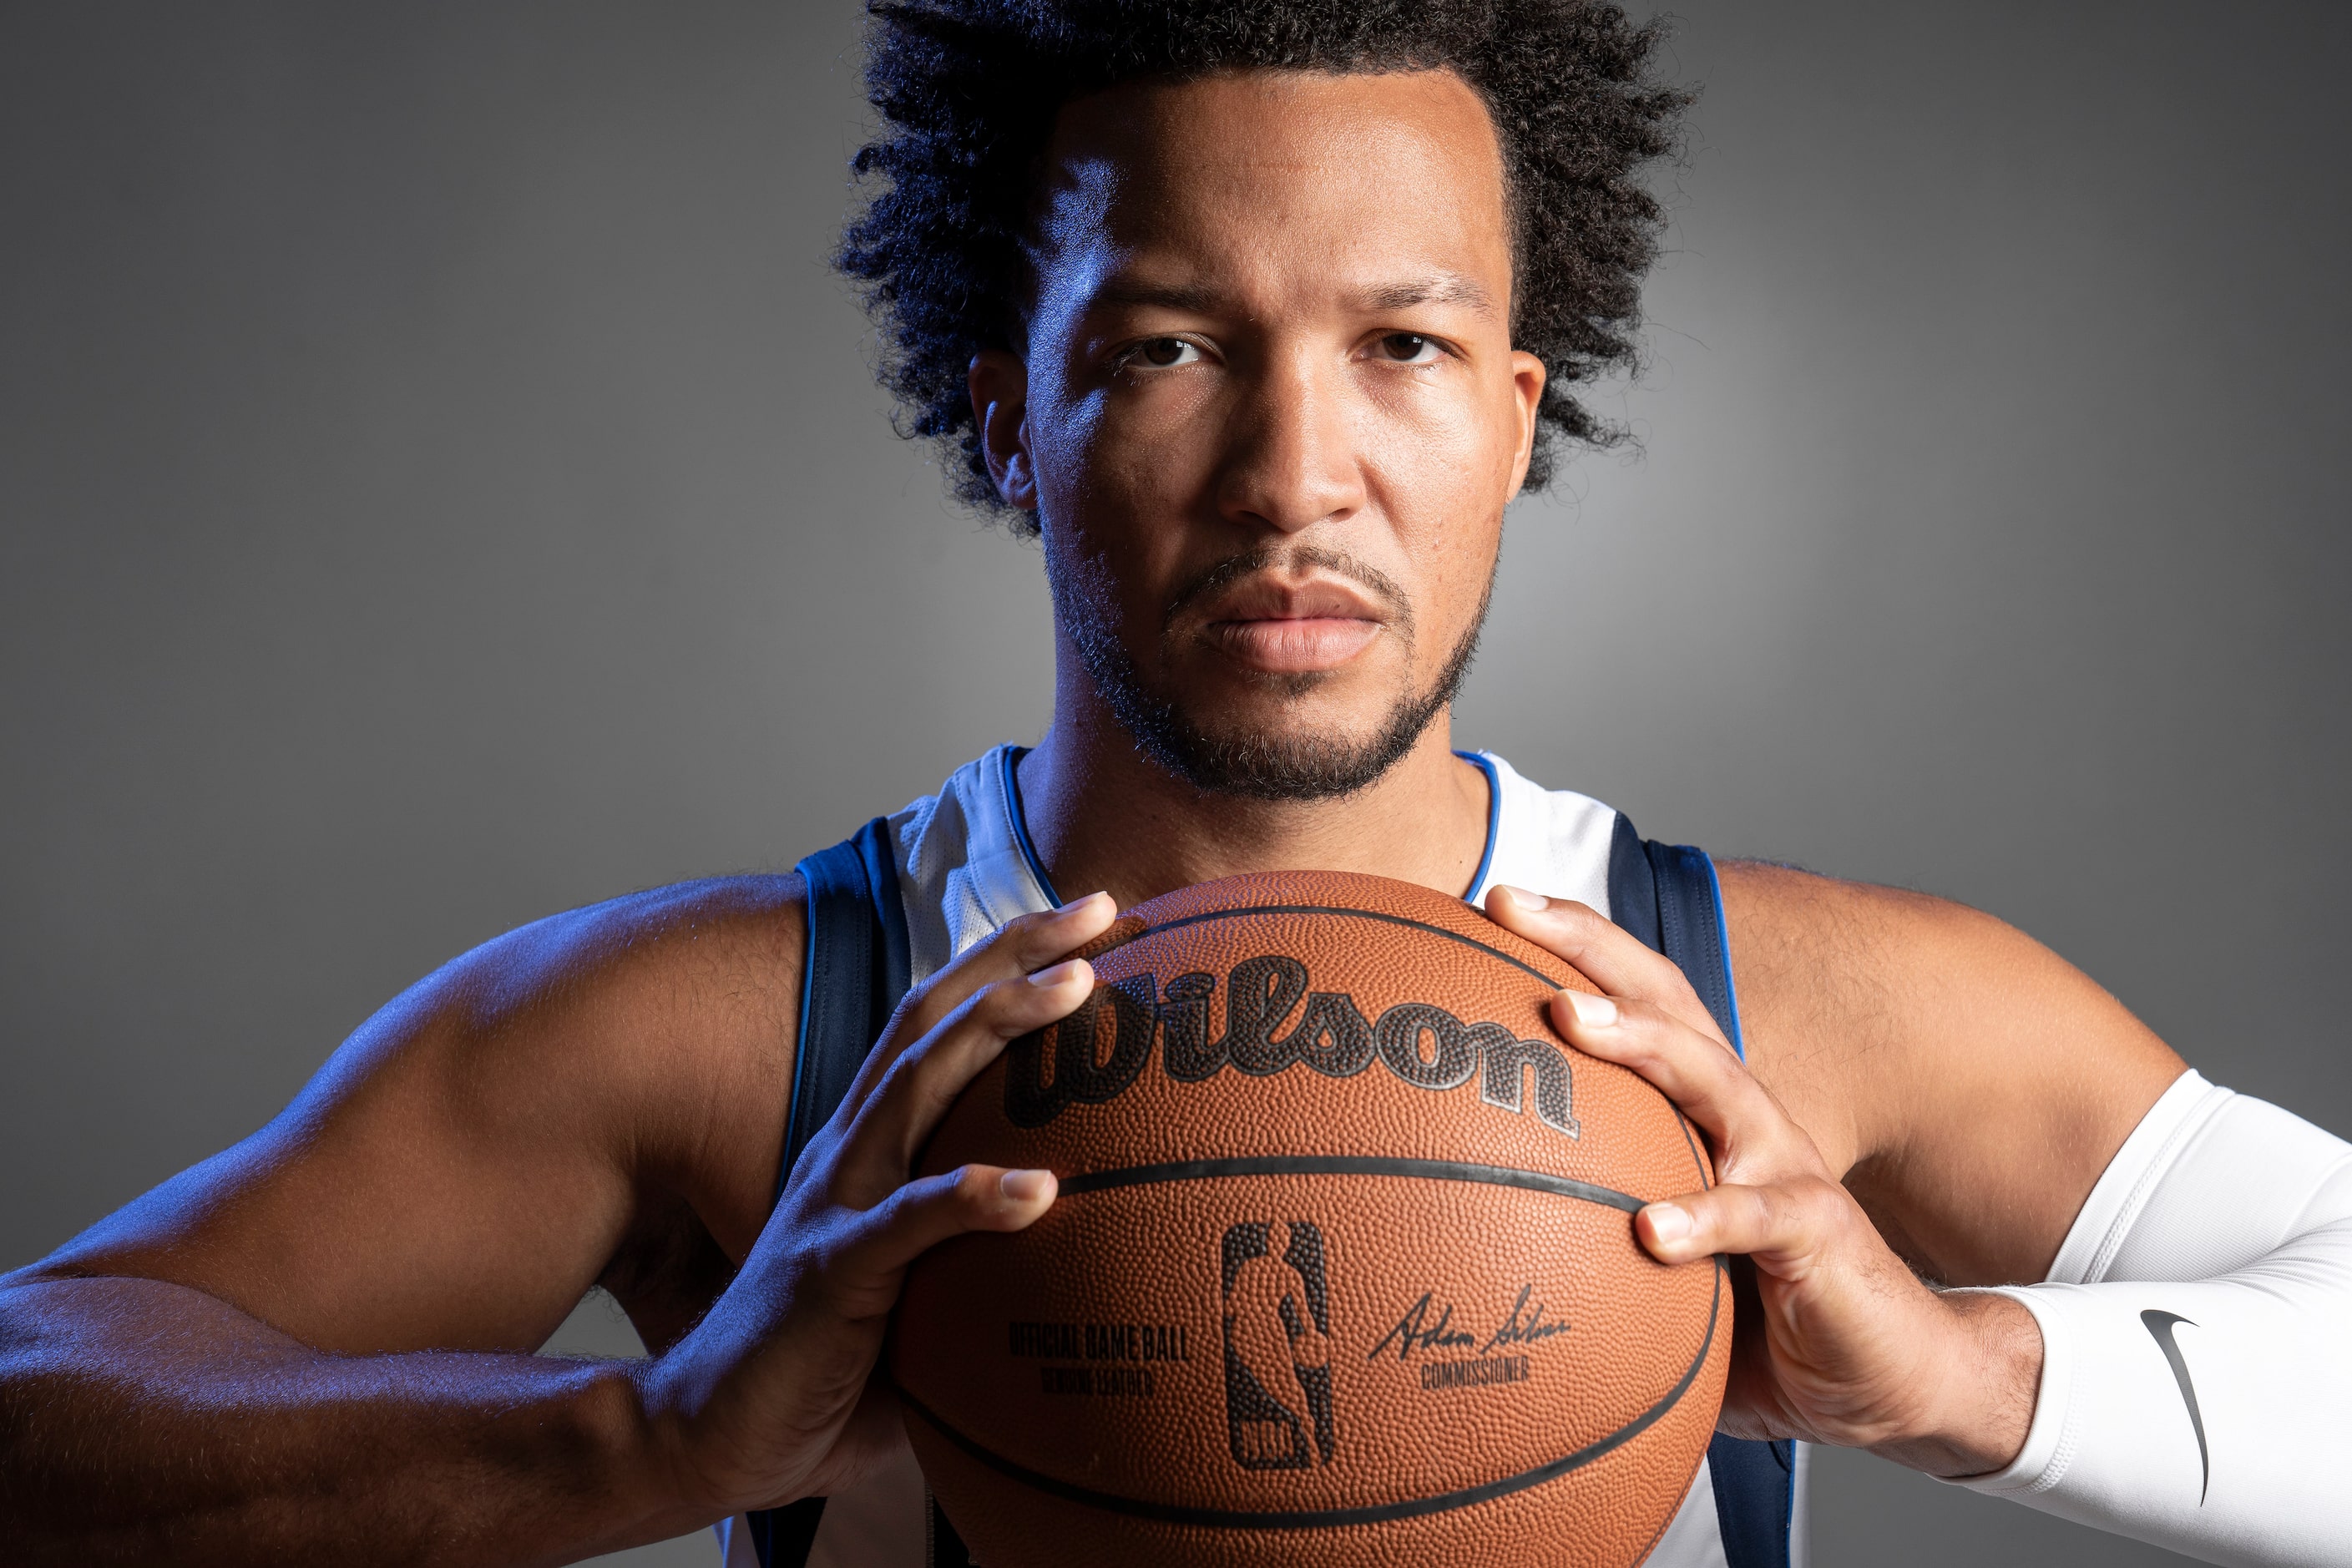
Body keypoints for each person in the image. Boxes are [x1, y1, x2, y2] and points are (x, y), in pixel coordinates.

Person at [3, 3, 2345, 1566]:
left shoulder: (1791, 1021)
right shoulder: (748, 1032)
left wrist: (1962, 1370)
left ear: (1515, 420)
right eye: (1169, 345)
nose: (1293, 470)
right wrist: (649, 1440)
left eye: (1401, 347)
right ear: (1005, 410)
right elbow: (37, 1394)